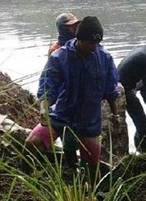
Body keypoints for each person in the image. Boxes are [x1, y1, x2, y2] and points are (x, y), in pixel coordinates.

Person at [25, 16, 120, 171]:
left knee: (91, 168)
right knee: (32, 143)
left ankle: (87, 189)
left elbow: (110, 90)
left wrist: (115, 115)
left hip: (89, 120)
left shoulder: (105, 58)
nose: (95, 47)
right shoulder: (59, 57)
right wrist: (44, 108)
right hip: (63, 114)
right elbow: (48, 85)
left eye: (98, 42)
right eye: (91, 42)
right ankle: (35, 177)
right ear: (79, 39)